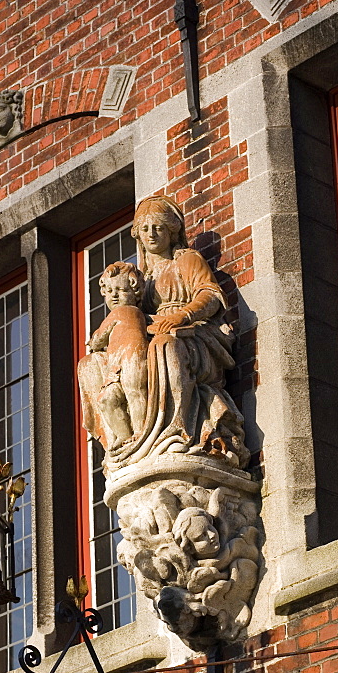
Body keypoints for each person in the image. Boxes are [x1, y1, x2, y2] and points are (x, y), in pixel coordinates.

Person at [107, 195, 249, 471]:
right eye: (146, 228)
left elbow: (210, 295)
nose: (152, 234)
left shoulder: (186, 260)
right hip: (153, 331)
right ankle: (132, 437)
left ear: (172, 232)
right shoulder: (141, 278)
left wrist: (181, 316)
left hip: (195, 334)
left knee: (165, 346)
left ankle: (177, 429)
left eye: (158, 227)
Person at [78, 261, 149, 451]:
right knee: (106, 399)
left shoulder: (125, 312)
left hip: (133, 357)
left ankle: (141, 432)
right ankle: (124, 435)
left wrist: (93, 342)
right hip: (116, 364)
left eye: (121, 290)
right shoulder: (123, 312)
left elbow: (100, 336)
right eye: (110, 292)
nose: (115, 295)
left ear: (135, 293)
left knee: (135, 393)